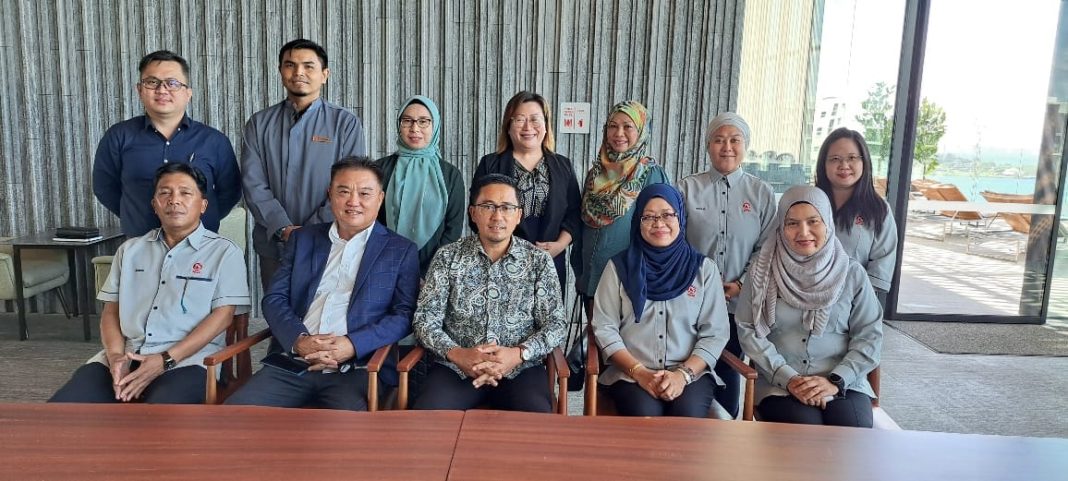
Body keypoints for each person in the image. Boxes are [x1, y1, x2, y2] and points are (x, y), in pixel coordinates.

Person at [225, 157, 419, 410]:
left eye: (364, 193)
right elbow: (274, 299)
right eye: (344, 191)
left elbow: (404, 314)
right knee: (235, 416)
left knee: (343, 429)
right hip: (294, 363)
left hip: (357, 368)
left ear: (380, 198)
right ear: (330, 194)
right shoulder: (303, 239)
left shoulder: (400, 250)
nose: (353, 201)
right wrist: (299, 340)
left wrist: (353, 344)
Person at [51, 163, 250, 403]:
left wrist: (166, 359)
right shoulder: (130, 250)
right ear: (155, 205)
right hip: (127, 356)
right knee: (62, 408)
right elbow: (110, 312)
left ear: (203, 205)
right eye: (165, 193)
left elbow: (223, 317)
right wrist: (115, 357)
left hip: (188, 360)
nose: (174, 200)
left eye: (185, 193)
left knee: (159, 418)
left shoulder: (224, 253)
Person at [411, 174, 567, 412]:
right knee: (428, 417)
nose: (497, 216)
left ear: (518, 215)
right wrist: (458, 354)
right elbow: (425, 319)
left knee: (536, 422)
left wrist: (518, 354)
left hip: (519, 369)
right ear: (473, 213)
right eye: (488, 206)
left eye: (506, 207)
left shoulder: (538, 260)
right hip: (457, 368)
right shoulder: (448, 256)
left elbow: (556, 323)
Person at [735, 186, 882, 427]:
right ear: (781, 227)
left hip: (845, 382)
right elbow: (748, 329)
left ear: (827, 223)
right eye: (792, 223)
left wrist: (836, 381)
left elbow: (870, 335)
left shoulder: (851, 273)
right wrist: (789, 378)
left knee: (852, 434)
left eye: (813, 221)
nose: (803, 232)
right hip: (780, 384)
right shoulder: (762, 271)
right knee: (805, 433)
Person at [591, 184, 730, 417]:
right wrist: (640, 372)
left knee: (687, 414)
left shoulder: (703, 269)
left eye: (667, 215)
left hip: (691, 374)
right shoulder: (618, 267)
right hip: (631, 373)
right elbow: (605, 327)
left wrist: (682, 376)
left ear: (680, 218)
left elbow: (715, 333)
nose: (659, 224)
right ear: (638, 222)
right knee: (645, 415)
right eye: (649, 217)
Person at [241, 38, 367, 289]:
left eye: (309, 66)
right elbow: (253, 183)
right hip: (274, 241)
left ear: (324, 74)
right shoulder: (259, 123)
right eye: (290, 65)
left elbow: (350, 184)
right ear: (280, 71)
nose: (299, 72)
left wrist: (310, 231)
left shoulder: (345, 123)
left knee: (325, 308)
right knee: (277, 307)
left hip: (329, 240)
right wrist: (283, 227)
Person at [678, 111, 776, 419]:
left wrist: (742, 284)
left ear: (746, 145)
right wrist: (702, 284)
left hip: (739, 302)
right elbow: (675, 242)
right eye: (719, 140)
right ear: (708, 145)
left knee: (730, 369)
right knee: (693, 366)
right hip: (693, 300)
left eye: (735, 140)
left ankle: (725, 429)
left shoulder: (761, 193)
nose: (727, 147)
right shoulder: (687, 189)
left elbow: (767, 248)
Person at [93, 50, 241, 237]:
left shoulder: (214, 141)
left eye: (172, 83)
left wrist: (195, 219)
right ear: (139, 90)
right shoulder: (118, 137)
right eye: (152, 82)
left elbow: (230, 193)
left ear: (188, 93)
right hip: (141, 244)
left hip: (200, 247)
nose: (162, 90)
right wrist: (134, 217)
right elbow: (105, 188)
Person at [473, 91, 581, 292]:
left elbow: (575, 214)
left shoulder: (563, 166)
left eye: (535, 119)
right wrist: (503, 246)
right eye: (519, 119)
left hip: (550, 260)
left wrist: (559, 245)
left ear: (546, 125)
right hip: (501, 261)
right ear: (508, 125)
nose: (527, 127)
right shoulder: (490, 164)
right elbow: (476, 213)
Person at [575, 100, 667, 310]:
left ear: (641, 131)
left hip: (629, 280)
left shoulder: (650, 174)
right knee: (594, 330)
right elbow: (583, 226)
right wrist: (579, 270)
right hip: (591, 276)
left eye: (628, 127)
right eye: (613, 126)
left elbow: (661, 231)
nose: (619, 133)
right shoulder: (595, 174)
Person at [376, 95, 465, 275]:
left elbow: (453, 228)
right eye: (407, 121)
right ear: (399, 125)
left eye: (423, 121)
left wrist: (429, 271)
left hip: (434, 271)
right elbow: (371, 221)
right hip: (385, 266)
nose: (414, 128)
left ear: (435, 126)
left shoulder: (450, 175)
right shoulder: (380, 169)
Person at [815, 127, 897, 298]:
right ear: (824, 164)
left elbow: (881, 265)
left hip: (854, 300)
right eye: (835, 159)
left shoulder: (878, 210)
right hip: (806, 296)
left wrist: (855, 300)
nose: (844, 165)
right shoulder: (808, 203)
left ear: (864, 162)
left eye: (852, 158)